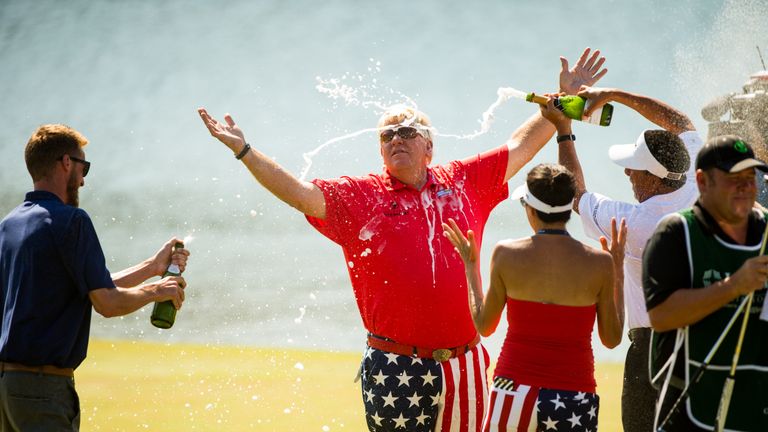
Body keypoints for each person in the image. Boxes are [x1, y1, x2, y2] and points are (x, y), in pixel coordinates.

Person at [198, 48, 607, 432]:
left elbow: (521, 146)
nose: (396, 139)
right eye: (387, 135)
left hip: (464, 365)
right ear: (380, 149)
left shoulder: (465, 181)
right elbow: (300, 194)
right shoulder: (358, 195)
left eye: (407, 132)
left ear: (428, 146)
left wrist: (563, 99)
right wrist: (245, 151)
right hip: (395, 365)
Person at [0, 124, 189, 432]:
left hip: (8, 389)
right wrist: (157, 290)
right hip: (43, 391)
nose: (84, 179)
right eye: (83, 166)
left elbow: (93, 287)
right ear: (65, 163)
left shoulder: (9, 225)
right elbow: (107, 302)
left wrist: (152, 267)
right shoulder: (72, 221)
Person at [551, 86, 703, 432]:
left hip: (654, 352)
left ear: (653, 178)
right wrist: (616, 94)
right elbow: (682, 123)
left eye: (634, 168)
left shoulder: (638, 224)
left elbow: (576, 195)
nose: (627, 174)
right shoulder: (697, 181)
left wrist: (563, 131)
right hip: (707, 338)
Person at [442, 163, 626, 431]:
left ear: (530, 208)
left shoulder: (506, 254)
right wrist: (618, 270)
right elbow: (611, 339)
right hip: (574, 395)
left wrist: (471, 268)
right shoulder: (599, 262)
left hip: (512, 389)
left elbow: (484, 325)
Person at [643, 136, 768, 431]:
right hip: (690, 406)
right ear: (702, 181)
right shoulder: (675, 232)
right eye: (733, 178)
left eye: (750, 177)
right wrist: (734, 286)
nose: (745, 187)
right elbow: (661, 316)